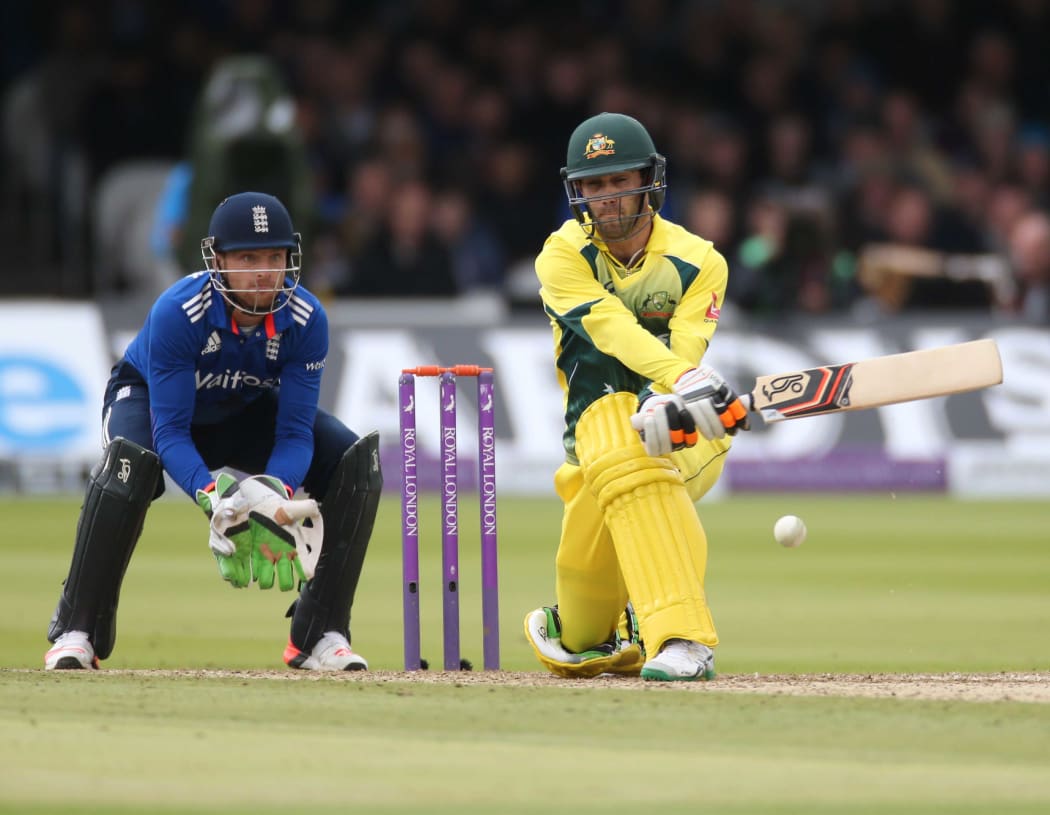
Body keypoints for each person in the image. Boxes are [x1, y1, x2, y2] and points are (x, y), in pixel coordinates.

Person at [44, 192, 382, 672]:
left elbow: (295, 433)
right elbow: (172, 434)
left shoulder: (306, 320)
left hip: (241, 409)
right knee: (129, 466)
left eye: (274, 257)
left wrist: (273, 492)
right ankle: (76, 629)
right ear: (218, 260)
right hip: (152, 404)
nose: (264, 272)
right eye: (248, 258)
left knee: (355, 461)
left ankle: (320, 634)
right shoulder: (180, 312)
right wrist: (210, 494)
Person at [523, 112, 751, 682]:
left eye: (620, 180)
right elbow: (609, 329)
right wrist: (677, 377)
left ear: (648, 179)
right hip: (591, 446)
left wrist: (664, 393)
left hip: (682, 436)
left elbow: (689, 342)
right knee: (581, 638)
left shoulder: (701, 261)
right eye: (594, 186)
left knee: (636, 445)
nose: (607, 198)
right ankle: (600, 628)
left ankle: (682, 639)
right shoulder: (563, 255)